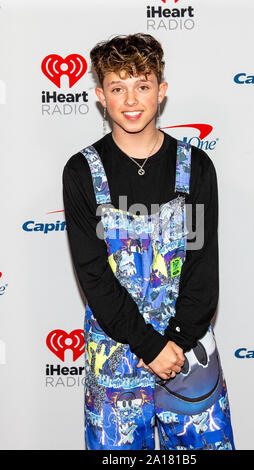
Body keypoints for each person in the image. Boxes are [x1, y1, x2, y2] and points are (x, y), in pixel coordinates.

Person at [62, 33, 235, 450]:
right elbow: (94, 277)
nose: (132, 99)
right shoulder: (82, 172)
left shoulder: (195, 166)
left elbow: (202, 267)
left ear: (162, 90)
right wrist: (149, 346)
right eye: (118, 88)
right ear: (101, 96)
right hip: (116, 355)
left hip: (187, 353)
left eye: (142, 85)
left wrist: (174, 343)